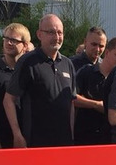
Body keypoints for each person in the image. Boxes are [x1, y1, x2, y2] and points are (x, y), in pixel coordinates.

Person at [5, 14, 75, 148]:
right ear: (39, 34)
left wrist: (71, 134)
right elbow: (9, 100)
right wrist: (17, 134)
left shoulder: (68, 64)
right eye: (51, 32)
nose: (56, 37)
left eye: (59, 32)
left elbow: (71, 102)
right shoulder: (27, 62)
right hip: (36, 143)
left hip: (63, 143)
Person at [73, 36, 116, 145]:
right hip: (84, 137)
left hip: (108, 139)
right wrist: (96, 105)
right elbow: (72, 97)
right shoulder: (86, 72)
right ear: (107, 52)